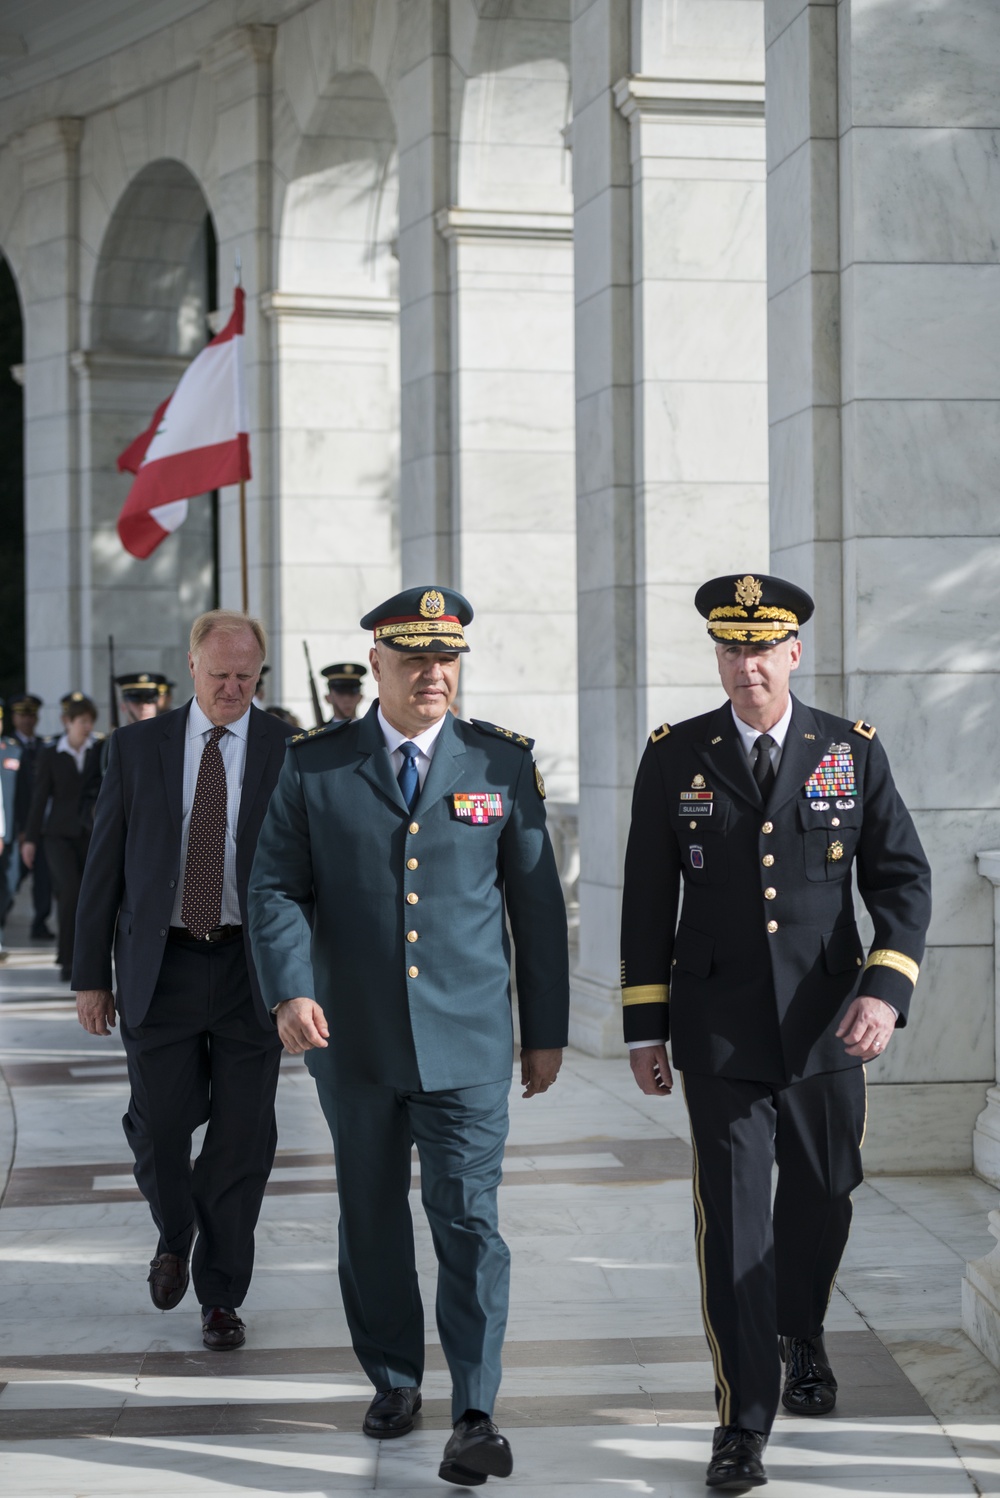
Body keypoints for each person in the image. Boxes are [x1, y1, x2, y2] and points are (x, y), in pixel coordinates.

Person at [248, 585, 569, 1487]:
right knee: (372, 1216)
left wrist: (544, 1032)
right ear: (378, 666)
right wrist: (289, 990)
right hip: (352, 1039)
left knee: (469, 1221)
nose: (436, 674)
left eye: (449, 659)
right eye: (417, 659)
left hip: (468, 1044)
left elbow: (536, 907)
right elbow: (273, 886)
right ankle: (392, 1377)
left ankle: (475, 1409)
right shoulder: (314, 766)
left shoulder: (500, 764)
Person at [620, 573, 931, 1491]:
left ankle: (801, 1326)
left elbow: (903, 881)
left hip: (831, 1026)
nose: (747, 664)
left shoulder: (849, 750)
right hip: (719, 1031)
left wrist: (884, 989)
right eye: (731, 648)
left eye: (763, 648)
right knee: (734, 1225)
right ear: (717, 656)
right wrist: (647, 1026)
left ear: (794, 653)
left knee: (825, 1196)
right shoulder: (676, 755)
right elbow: (646, 898)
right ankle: (741, 1422)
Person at [71, 611, 291, 1352]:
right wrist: (89, 977)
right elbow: (103, 867)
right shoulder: (136, 748)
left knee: (241, 1138)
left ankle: (221, 1296)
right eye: (220, 674)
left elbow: (312, 876)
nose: (232, 688)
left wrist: (305, 980)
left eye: (246, 677)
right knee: (160, 1124)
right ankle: (175, 1231)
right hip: (157, 966)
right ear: (191, 667)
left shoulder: (289, 749)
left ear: (260, 675)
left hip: (247, 970)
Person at [22, 693, 102, 981]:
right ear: (67, 722)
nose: (86, 727)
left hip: (91, 835)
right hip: (57, 835)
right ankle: (67, 959)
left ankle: (86, 959)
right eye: (80, 721)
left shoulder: (99, 750)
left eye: (89, 721)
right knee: (69, 892)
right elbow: (39, 798)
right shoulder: (51, 754)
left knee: (90, 896)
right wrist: (30, 839)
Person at [9, 693, 54, 940]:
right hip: (17, 826)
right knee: (10, 879)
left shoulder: (44, 746)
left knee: (44, 880)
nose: (27, 720)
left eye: (31, 715)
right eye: (22, 714)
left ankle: (40, 923)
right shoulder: (7, 746)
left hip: (41, 826)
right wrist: (19, 829)